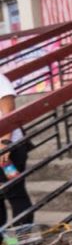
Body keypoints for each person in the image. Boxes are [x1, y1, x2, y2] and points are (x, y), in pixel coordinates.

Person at [0, 72, 33, 226]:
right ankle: (4, 242)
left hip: (7, 151)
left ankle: (23, 241)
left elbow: (10, 113)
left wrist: (6, 142)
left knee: (15, 193)